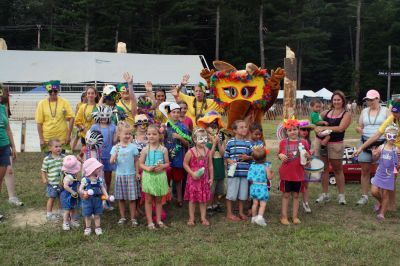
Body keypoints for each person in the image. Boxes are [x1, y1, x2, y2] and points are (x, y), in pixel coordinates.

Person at [354, 97, 400, 210]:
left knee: (392, 177)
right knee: (391, 177)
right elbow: (376, 135)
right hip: (393, 150)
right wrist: (361, 148)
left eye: (397, 113)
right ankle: (389, 204)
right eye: (393, 112)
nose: (394, 115)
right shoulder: (391, 119)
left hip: (397, 150)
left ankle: (390, 204)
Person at [314, 90, 352, 205]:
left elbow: (341, 128)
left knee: (337, 170)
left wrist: (324, 129)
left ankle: (341, 195)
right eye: (334, 99)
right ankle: (325, 194)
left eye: (338, 100)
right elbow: (316, 123)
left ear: (343, 101)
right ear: (332, 101)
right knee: (324, 169)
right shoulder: (325, 113)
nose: (336, 102)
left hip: (336, 144)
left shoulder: (346, 114)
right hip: (323, 144)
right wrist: (316, 128)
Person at [355, 90, 388, 205]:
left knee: (381, 171)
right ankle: (364, 196)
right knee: (365, 170)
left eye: (372, 99)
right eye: (368, 99)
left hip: (381, 143)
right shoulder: (364, 111)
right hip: (365, 143)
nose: (370, 101)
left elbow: (391, 127)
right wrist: (359, 129)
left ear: (378, 99)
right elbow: (359, 126)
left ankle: (381, 196)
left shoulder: (386, 111)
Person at [278, 118, 311, 225]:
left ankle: (295, 217)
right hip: (286, 174)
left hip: (298, 174)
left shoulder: (304, 142)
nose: (293, 132)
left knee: (296, 195)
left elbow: (308, 157)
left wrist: (307, 156)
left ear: (298, 130)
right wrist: (281, 155)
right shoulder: (283, 142)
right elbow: (279, 154)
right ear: (286, 132)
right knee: (286, 195)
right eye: (290, 130)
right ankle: (284, 217)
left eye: (295, 129)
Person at [139, 124, 170, 229]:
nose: (151, 136)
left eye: (154, 134)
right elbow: (141, 163)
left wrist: (162, 166)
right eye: (148, 134)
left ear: (159, 135)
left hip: (160, 176)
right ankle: (150, 222)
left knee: (158, 200)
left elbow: (167, 163)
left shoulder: (163, 150)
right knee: (148, 199)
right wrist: (147, 168)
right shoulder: (145, 149)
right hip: (148, 176)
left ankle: (159, 220)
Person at [160, 102, 191, 207]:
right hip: (166, 157)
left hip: (178, 157)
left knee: (178, 179)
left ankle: (179, 198)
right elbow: (160, 140)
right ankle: (165, 198)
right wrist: (161, 133)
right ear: (170, 114)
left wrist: (180, 137)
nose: (176, 114)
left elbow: (188, 144)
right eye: (174, 112)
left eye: (178, 112)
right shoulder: (165, 126)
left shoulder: (183, 127)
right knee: (165, 179)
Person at [110, 122, 141, 227]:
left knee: (132, 198)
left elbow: (137, 160)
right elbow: (111, 161)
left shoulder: (133, 147)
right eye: (126, 134)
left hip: (131, 175)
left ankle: (133, 218)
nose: (128, 136)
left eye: (129, 134)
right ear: (119, 134)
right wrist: (114, 156)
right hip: (120, 176)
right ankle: (122, 217)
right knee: (121, 198)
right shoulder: (116, 148)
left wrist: (137, 172)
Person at [183, 128, 213, 226]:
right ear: (195, 140)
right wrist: (192, 173)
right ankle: (191, 218)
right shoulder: (190, 152)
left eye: (205, 138)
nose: (203, 140)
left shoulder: (208, 151)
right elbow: (185, 164)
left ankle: (203, 218)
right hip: (193, 180)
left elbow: (210, 165)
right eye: (201, 138)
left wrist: (211, 178)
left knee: (203, 200)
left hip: (203, 180)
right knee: (192, 200)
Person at [224, 120, 253, 221]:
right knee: (231, 193)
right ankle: (229, 213)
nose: (244, 129)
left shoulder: (249, 143)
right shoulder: (230, 142)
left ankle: (241, 212)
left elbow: (253, 156)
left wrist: (247, 157)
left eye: (245, 127)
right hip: (234, 173)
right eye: (241, 127)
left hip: (245, 173)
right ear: (235, 130)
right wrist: (229, 161)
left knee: (243, 194)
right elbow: (226, 155)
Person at [197, 111, 225, 213]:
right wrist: (213, 144)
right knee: (211, 191)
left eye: (215, 127)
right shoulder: (205, 144)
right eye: (211, 128)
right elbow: (210, 156)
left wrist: (218, 143)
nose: (213, 130)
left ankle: (217, 204)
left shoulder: (220, 141)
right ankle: (210, 206)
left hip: (220, 170)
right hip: (211, 172)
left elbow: (222, 154)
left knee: (219, 190)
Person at [35, 80, 74, 152]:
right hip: (47, 139)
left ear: (58, 91)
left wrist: (68, 135)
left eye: (55, 91)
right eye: (50, 91)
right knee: (48, 162)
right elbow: (39, 123)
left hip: (62, 139)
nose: (53, 93)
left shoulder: (64, 102)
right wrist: (41, 139)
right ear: (48, 92)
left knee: (62, 162)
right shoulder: (42, 104)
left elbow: (71, 117)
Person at [0, 85, 22, 207]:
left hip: (4, 146)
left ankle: (11, 198)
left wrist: (13, 147)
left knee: (4, 175)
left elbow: (8, 129)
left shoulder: (3, 108)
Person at [370, 125, 398, 220]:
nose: (392, 138)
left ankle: (382, 214)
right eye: (390, 136)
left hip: (389, 175)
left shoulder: (396, 150)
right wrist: (374, 155)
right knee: (374, 191)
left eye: (394, 136)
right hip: (380, 172)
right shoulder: (381, 147)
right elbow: (375, 159)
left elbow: (397, 165)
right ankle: (382, 203)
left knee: (386, 194)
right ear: (386, 136)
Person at [90, 105, 117, 198]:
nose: (103, 119)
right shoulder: (94, 127)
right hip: (98, 156)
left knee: (108, 177)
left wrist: (118, 132)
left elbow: (114, 141)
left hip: (109, 155)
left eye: (106, 117)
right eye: (101, 117)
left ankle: (107, 194)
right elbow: (91, 141)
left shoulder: (113, 127)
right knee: (97, 177)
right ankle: (97, 195)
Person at [79, 158, 110, 236]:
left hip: (97, 200)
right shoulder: (85, 180)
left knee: (97, 214)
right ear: (91, 169)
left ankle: (98, 227)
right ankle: (88, 228)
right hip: (87, 200)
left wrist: (106, 195)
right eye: (97, 168)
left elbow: (102, 188)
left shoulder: (99, 179)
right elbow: (80, 189)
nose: (99, 169)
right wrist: (85, 192)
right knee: (88, 215)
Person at [247, 146, 272, 227]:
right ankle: (260, 218)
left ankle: (253, 218)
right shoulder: (266, 167)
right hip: (262, 187)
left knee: (254, 203)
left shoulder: (252, 166)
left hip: (253, 187)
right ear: (265, 158)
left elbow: (249, 178)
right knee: (262, 204)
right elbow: (269, 178)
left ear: (253, 158)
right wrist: (272, 174)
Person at [41, 138, 65, 221]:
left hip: (62, 183)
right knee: (51, 198)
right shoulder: (47, 159)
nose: (59, 148)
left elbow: (67, 167)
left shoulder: (63, 157)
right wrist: (44, 179)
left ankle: (61, 211)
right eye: (56, 146)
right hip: (52, 184)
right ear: (50, 148)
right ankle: (49, 214)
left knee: (61, 198)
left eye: (60, 146)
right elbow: (43, 170)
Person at [60, 155, 81, 231]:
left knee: (73, 208)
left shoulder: (72, 175)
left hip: (72, 195)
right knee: (67, 210)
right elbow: (65, 186)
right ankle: (65, 222)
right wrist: (73, 192)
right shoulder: (68, 177)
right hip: (67, 196)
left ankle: (73, 220)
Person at [298, 120, 315, 213]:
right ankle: (295, 200)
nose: (305, 131)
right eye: (303, 129)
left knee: (306, 185)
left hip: (306, 166)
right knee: (296, 185)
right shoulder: (293, 141)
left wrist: (310, 156)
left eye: (307, 130)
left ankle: (306, 202)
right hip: (296, 167)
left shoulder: (308, 141)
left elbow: (310, 154)